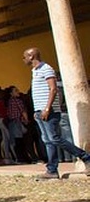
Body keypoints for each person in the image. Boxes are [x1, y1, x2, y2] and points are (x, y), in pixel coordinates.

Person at [22, 47, 90, 179]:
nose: (23, 59)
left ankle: (85, 157)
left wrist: (47, 108)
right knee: (48, 141)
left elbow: (53, 89)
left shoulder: (46, 68)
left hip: (49, 111)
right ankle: (52, 170)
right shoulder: (35, 71)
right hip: (39, 111)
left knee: (54, 138)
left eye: (24, 56)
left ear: (31, 57)